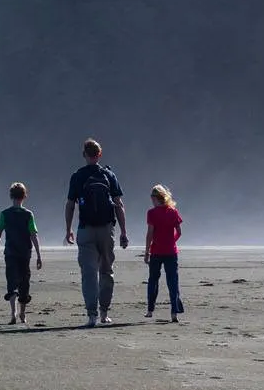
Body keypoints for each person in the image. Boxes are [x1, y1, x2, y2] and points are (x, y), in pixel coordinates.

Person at [64, 139, 128, 328]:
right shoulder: (109, 174)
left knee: (89, 273)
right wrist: (123, 232)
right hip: (107, 229)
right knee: (107, 271)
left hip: (85, 230)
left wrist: (68, 230)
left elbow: (70, 205)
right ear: (99, 154)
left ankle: (91, 315)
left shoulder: (78, 176)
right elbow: (119, 205)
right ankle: (104, 313)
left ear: (84, 155)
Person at [0, 182, 42, 325]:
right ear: (24, 196)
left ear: (11, 196)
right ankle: (23, 313)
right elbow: (33, 235)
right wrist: (39, 255)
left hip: (10, 252)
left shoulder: (4, 214)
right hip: (25, 253)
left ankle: (13, 313)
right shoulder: (28, 214)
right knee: (24, 281)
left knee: (12, 281)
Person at [142, 184, 184, 322]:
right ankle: (174, 312)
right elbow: (179, 232)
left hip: (156, 252)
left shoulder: (152, 213)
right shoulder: (173, 212)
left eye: (152, 198)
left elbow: (150, 234)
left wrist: (147, 251)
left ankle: (150, 310)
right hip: (171, 252)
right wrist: (172, 241)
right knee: (173, 281)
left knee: (153, 280)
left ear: (156, 198)